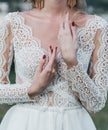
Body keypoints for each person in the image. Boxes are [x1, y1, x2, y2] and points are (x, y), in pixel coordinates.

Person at [0, 0, 108, 130]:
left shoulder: (97, 27)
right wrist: (32, 90)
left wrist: (71, 63)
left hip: (74, 124)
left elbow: (96, 103)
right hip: (24, 123)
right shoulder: (12, 23)